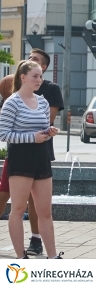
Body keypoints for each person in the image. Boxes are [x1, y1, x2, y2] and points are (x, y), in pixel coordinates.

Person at [0, 48, 64, 256]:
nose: (39, 80)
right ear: (23, 78)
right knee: (17, 209)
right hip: (21, 159)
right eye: (35, 76)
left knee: (45, 211)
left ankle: (53, 256)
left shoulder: (43, 101)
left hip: (41, 157)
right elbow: (4, 134)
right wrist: (32, 137)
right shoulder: (12, 102)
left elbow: (42, 127)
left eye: (41, 76)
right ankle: (21, 257)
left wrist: (49, 131)